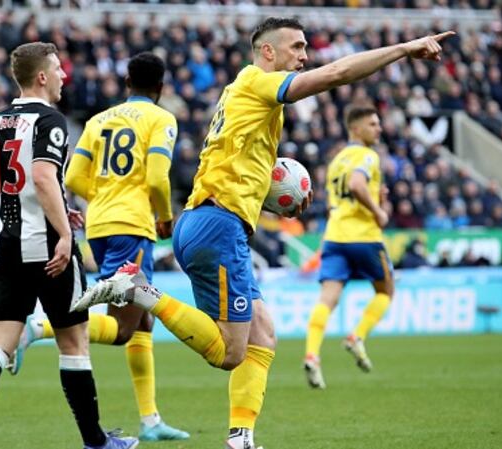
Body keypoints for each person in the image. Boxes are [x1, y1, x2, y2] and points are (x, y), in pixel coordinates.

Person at [73, 17, 453, 449]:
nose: (305, 56)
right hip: (218, 225)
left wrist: (277, 192)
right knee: (228, 353)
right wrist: (403, 48)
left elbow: (241, 159)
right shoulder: (257, 81)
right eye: (297, 46)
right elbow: (336, 74)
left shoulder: (243, 93)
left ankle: (241, 437)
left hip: (208, 222)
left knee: (263, 331)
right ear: (268, 51)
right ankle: (140, 290)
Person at [0, 42, 137, 449]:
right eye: (57, 69)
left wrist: (59, 209)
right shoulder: (50, 120)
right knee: (74, 343)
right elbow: (40, 176)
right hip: (49, 249)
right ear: (41, 77)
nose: (63, 76)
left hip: (3, 246)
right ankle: (96, 441)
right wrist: (66, 233)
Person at [11, 52, 189, 442]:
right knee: (125, 327)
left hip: (101, 225)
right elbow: (159, 178)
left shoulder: (97, 120)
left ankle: (150, 418)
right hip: (133, 224)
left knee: (143, 319)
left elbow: (73, 178)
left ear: (126, 83)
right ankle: (39, 327)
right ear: (160, 88)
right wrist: (164, 217)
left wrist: (107, 195)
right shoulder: (162, 119)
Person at [303, 105, 394, 390]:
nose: (379, 129)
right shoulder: (367, 156)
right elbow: (356, 185)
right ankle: (357, 336)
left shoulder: (336, 160)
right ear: (356, 128)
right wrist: (378, 212)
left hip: (335, 236)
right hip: (364, 236)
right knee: (386, 291)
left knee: (327, 298)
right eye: (373, 124)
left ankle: (312, 354)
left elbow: (338, 201)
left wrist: (379, 199)